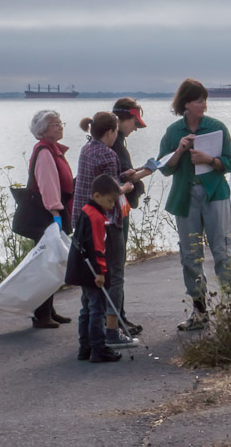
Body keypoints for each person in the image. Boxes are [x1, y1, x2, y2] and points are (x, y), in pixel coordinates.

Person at [158, 78, 231, 331]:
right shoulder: (173, 132)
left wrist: (209, 160)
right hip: (186, 196)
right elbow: (164, 169)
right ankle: (200, 311)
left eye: (205, 99)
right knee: (190, 255)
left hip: (215, 194)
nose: (204, 104)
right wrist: (180, 151)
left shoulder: (216, 127)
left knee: (223, 250)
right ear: (186, 104)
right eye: (199, 100)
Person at [73, 112, 137, 348]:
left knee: (90, 281)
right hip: (106, 223)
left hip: (82, 220)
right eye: (116, 131)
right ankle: (112, 330)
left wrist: (120, 176)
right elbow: (111, 192)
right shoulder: (108, 153)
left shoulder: (86, 148)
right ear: (110, 132)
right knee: (115, 275)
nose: (116, 135)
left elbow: (100, 181)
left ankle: (92, 334)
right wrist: (127, 186)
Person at [65, 174, 123, 363]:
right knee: (97, 310)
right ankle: (99, 349)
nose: (113, 205)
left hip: (82, 269)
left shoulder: (85, 210)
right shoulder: (96, 217)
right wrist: (101, 273)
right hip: (93, 270)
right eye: (110, 200)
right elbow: (98, 247)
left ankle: (85, 347)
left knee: (86, 309)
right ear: (97, 195)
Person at [110, 97, 155, 336]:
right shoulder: (115, 144)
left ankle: (118, 317)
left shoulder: (112, 142)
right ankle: (116, 321)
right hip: (116, 212)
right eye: (134, 124)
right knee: (116, 268)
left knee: (114, 267)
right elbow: (120, 180)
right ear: (121, 119)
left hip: (115, 210)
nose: (135, 129)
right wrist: (144, 173)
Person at [27, 110, 75, 329]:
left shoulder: (52, 149)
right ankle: (41, 314)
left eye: (60, 123)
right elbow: (48, 185)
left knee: (52, 262)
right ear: (43, 130)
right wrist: (56, 214)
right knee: (46, 264)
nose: (60, 127)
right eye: (54, 124)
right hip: (48, 214)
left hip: (53, 211)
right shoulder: (45, 152)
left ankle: (49, 310)